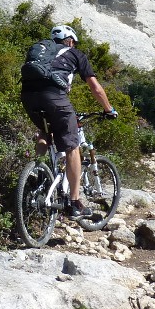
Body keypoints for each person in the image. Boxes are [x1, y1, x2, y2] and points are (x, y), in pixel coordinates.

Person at [21, 24, 118, 218]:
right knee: (72, 146)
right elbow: (96, 88)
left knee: (44, 132)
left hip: (28, 97)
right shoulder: (75, 54)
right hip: (55, 98)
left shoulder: (41, 51)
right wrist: (109, 109)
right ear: (71, 40)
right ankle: (75, 203)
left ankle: (37, 171)